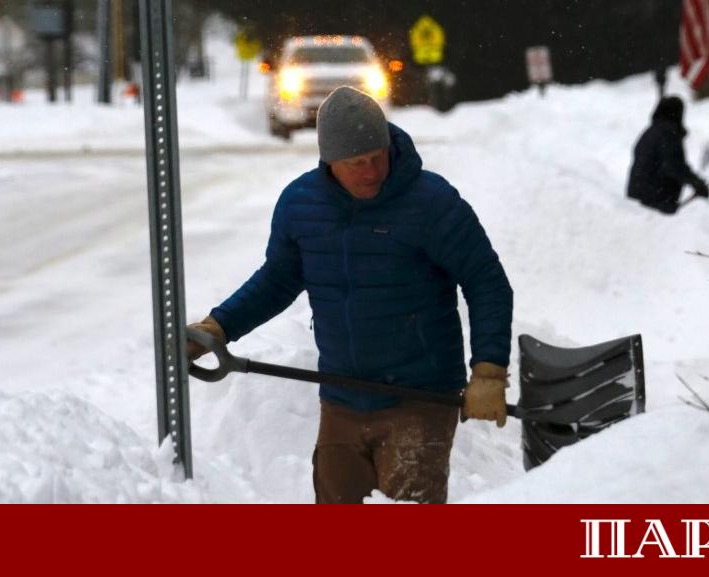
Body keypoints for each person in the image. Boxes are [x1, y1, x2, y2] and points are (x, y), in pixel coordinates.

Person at [186, 86, 513, 504]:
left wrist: (488, 369)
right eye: (356, 163)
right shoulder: (301, 204)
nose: (371, 171)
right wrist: (220, 326)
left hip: (420, 397)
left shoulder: (431, 203)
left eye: (378, 156)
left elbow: (486, 280)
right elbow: (278, 280)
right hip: (341, 394)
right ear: (329, 161)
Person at [626, 96, 709, 214]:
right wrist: (696, 183)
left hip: (637, 196)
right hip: (654, 200)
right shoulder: (668, 135)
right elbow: (673, 165)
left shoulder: (650, 132)